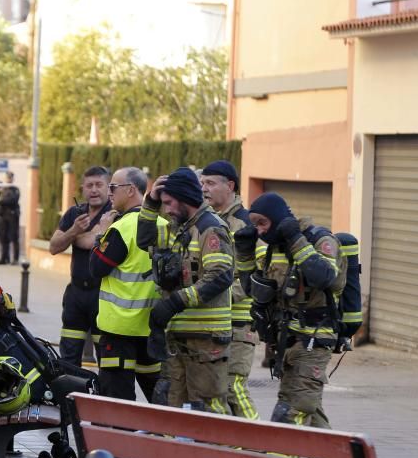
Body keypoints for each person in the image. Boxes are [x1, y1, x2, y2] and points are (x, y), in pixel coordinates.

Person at [235, 193, 346, 430]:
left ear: (277, 219)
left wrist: (295, 239)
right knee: (309, 413)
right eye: (255, 225)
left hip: (314, 341)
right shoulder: (273, 249)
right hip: (287, 342)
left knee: (293, 412)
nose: (260, 231)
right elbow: (254, 291)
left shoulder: (320, 240)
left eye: (262, 223)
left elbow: (324, 276)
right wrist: (244, 256)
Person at [137, 167, 234, 414]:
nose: (166, 209)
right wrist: (150, 203)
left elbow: (220, 276)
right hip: (179, 337)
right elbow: (144, 240)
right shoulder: (176, 228)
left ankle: (222, 454)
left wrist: (174, 302)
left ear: (183, 198)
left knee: (209, 411)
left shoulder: (210, 228)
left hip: (206, 339)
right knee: (170, 406)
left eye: (169, 202)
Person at [89, 167, 164, 400]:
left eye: (113, 187)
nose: (109, 193)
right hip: (152, 327)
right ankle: (164, 436)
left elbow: (96, 268)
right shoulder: (164, 225)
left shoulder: (121, 227)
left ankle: (123, 437)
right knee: (159, 397)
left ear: (131, 190)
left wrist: (100, 234)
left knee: (117, 401)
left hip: (119, 330)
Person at [200, 160, 260, 420]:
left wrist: (209, 293)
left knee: (234, 388)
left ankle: (259, 444)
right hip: (214, 322)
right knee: (214, 391)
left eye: (211, 183)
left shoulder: (246, 226)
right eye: (202, 183)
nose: (204, 189)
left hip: (239, 323)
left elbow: (256, 277)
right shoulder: (207, 221)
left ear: (231, 186)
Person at [50, 166, 112, 366]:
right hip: (75, 295)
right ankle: (72, 396)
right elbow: (53, 246)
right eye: (89, 185)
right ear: (83, 189)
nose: (94, 190)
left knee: (106, 358)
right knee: (68, 356)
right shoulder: (75, 213)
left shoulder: (114, 214)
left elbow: (90, 242)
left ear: (109, 187)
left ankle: (102, 397)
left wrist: (75, 237)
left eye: (99, 185)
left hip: (102, 296)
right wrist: (74, 231)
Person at [0, 171, 21, 264]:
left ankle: (15, 259)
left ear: (12, 179)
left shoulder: (15, 189)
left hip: (12, 216)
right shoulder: (3, 190)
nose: (8, 179)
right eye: (7, 178)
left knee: (14, 237)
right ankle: (4, 258)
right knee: (4, 238)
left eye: (10, 178)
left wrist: (1, 200)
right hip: (3, 216)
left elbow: (12, 200)